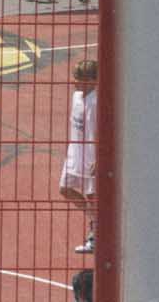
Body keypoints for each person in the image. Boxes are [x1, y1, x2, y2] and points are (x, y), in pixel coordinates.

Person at [59, 59, 100, 254]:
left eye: (79, 79)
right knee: (65, 189)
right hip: (74, 154)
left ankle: (96, 234)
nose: (75, 82)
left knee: (93, 196)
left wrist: (99, 158)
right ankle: (96, 223)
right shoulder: (76, 97)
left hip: (91, 156)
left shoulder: (96, 101)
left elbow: (103, 131)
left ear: (92, 81)